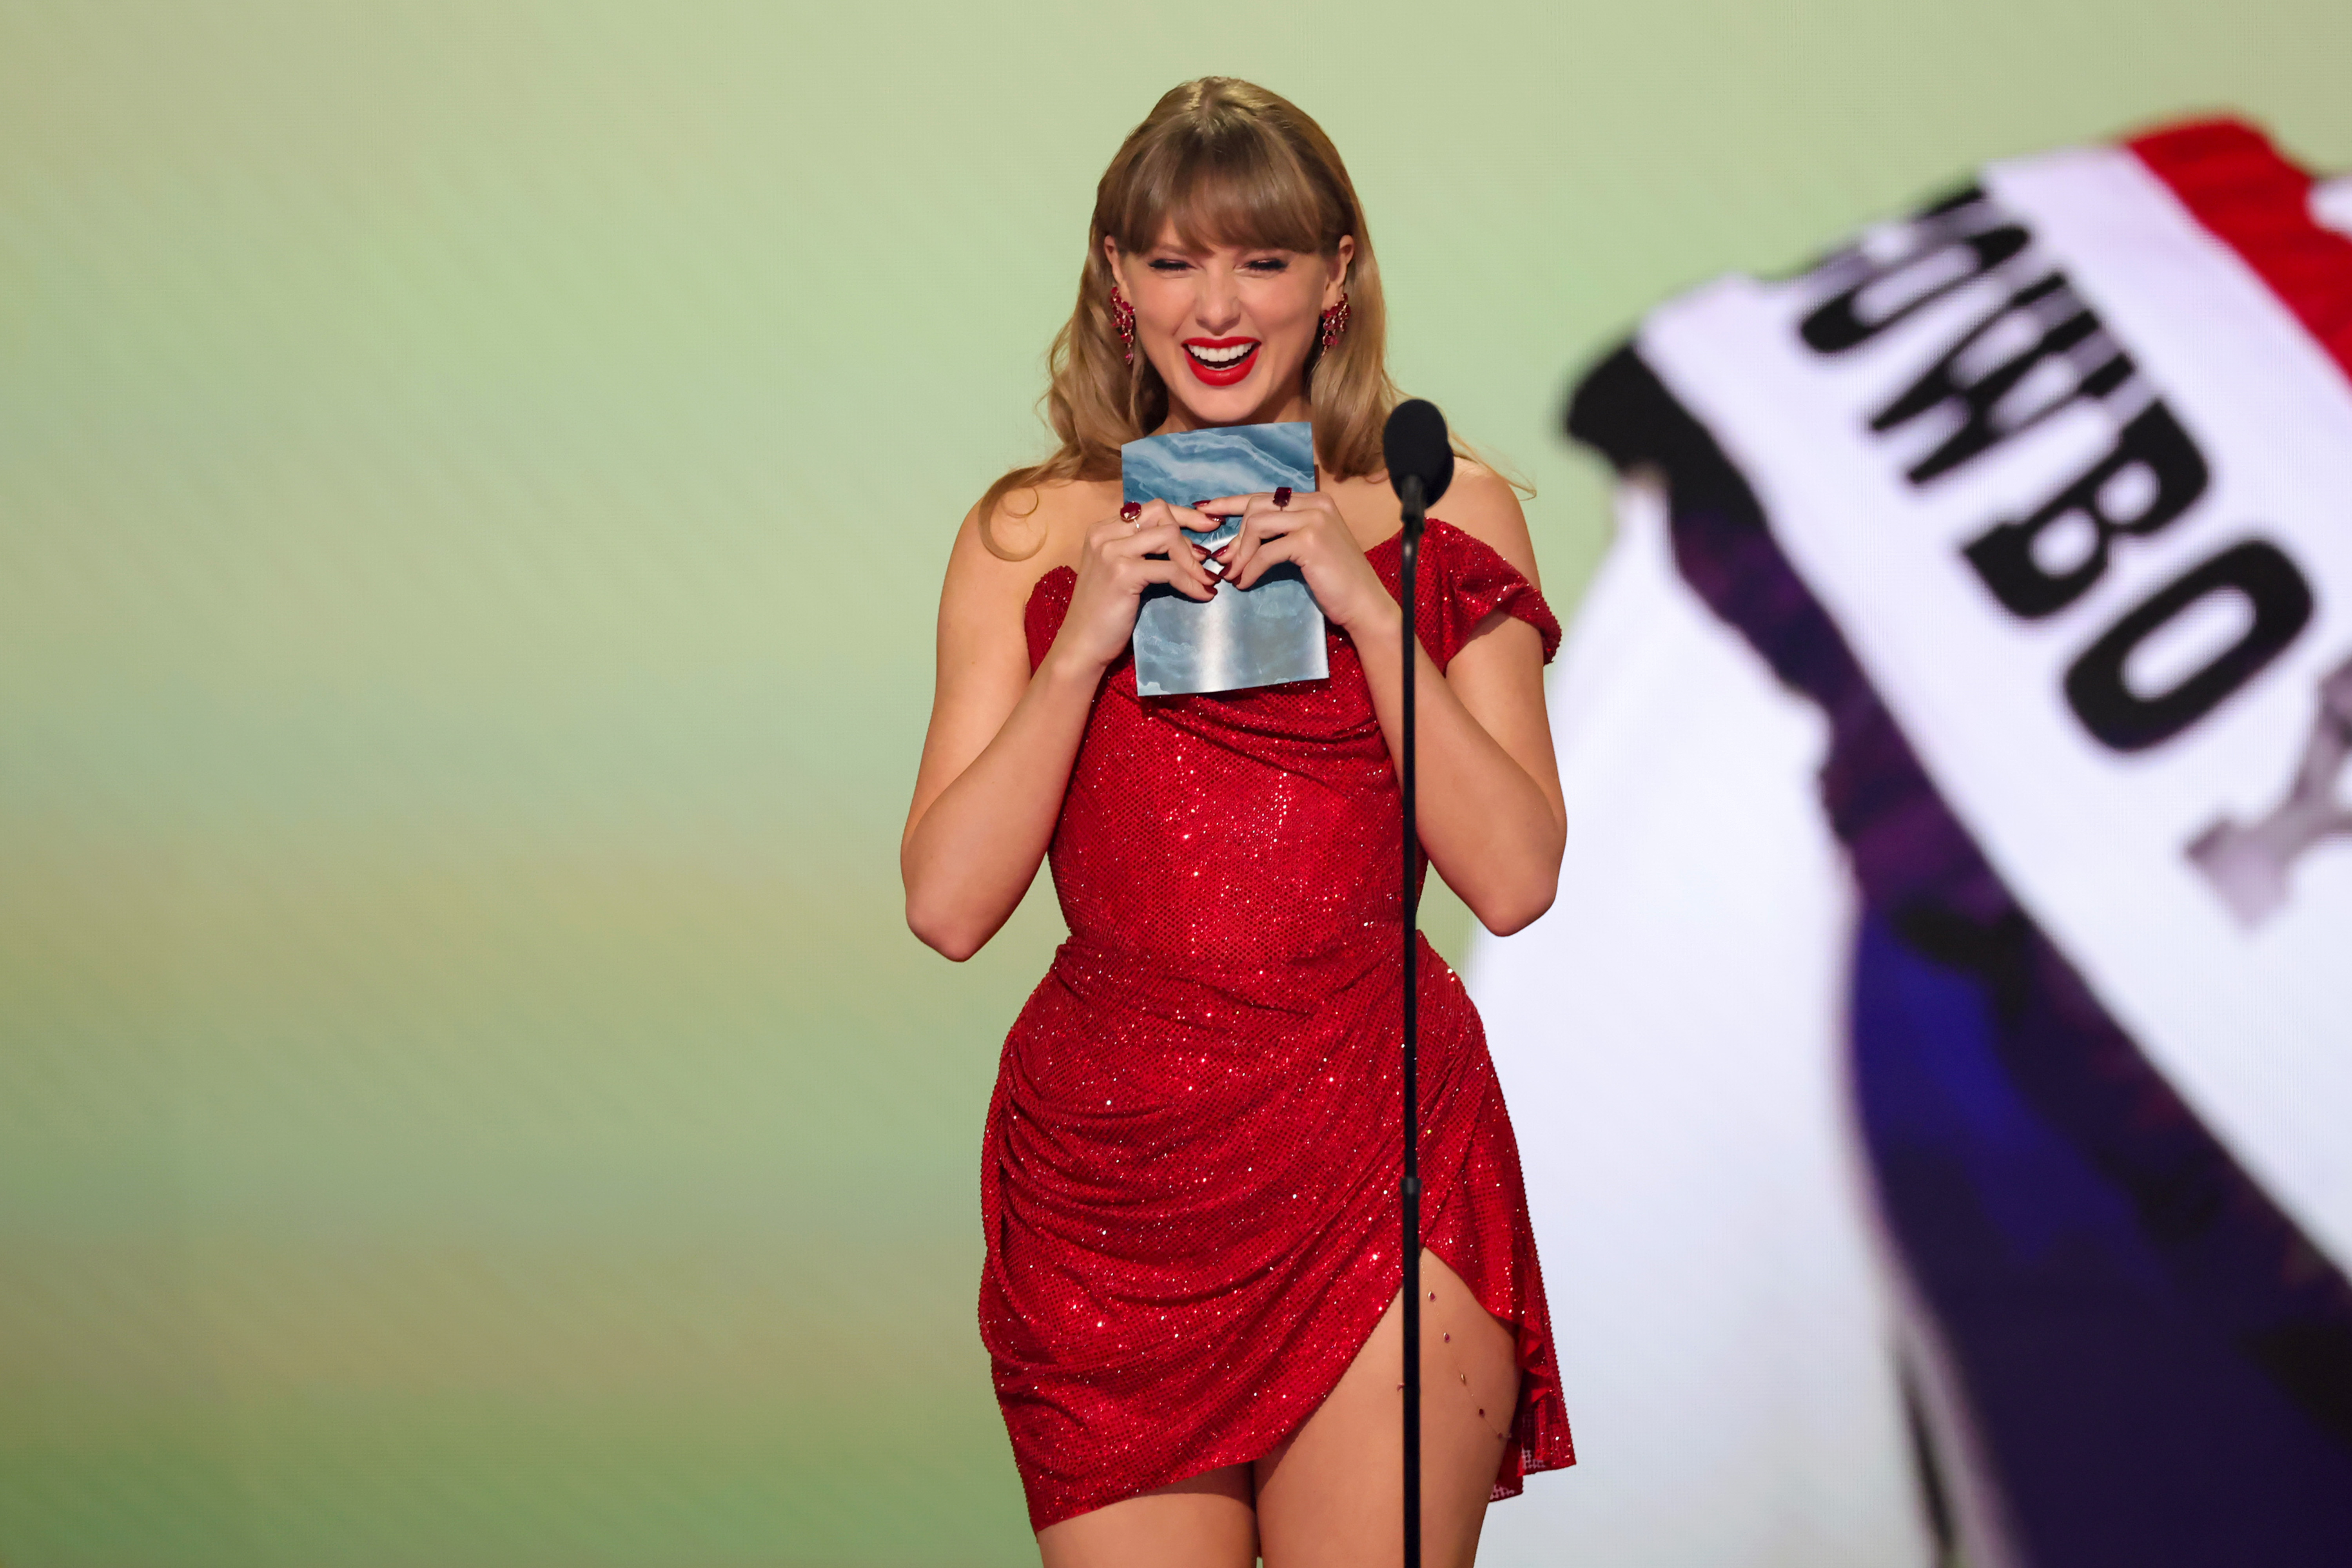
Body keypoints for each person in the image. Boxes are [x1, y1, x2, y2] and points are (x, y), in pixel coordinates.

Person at [902, 77, 1574, 1568]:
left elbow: (1518, 875)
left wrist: (1359, 596)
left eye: (1262, 259)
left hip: (1373, 1153)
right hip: (1109, 1193)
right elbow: (949, 907)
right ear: (1115, 278)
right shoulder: (1032, 530)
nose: (1217, 303)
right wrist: (1082, 639)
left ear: (1336, 277)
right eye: (1174, 258)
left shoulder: (1437, 506)